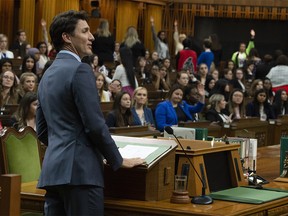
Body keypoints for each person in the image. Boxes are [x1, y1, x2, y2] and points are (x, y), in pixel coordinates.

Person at [36, 10, 144, 216]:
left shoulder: (48, 73)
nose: (92, 37)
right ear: (67, 37)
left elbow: (42, 130)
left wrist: (67, 149)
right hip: (82, 175)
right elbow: (95, 125)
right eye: (85, 31)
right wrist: (118, 160)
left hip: (53, 173)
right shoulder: (81, 70)